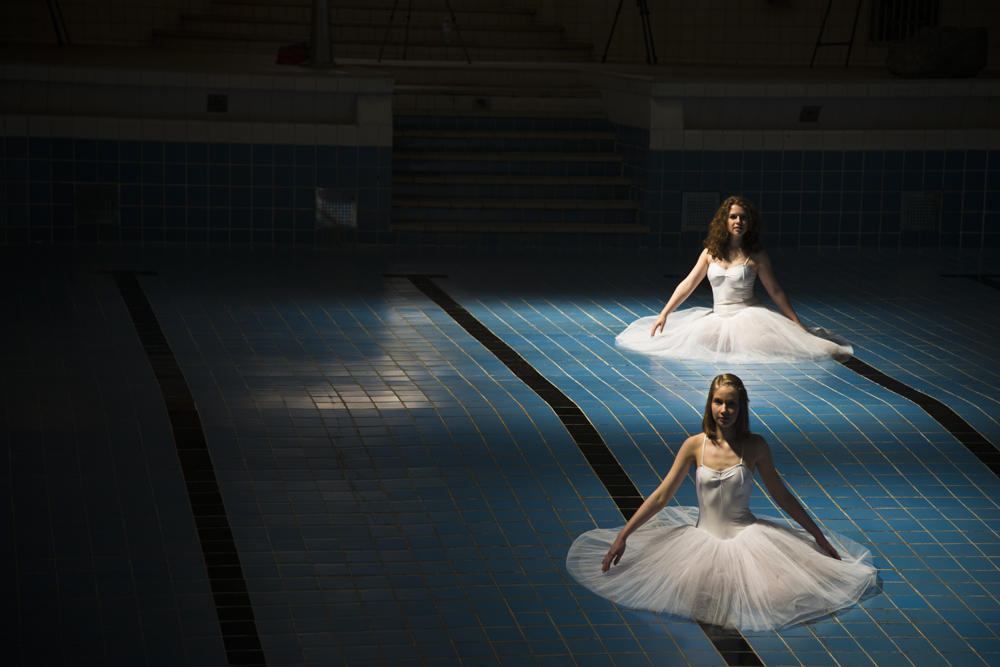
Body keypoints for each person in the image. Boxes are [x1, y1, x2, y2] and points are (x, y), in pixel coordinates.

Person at [566, 374, 877, 632]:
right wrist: (624, 535)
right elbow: (662, 496)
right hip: (700, 542)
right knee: (690, 592)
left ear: (742, 408)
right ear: (709, 404)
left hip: (749, 541)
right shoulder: (693, 445)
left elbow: (782, 496)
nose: (724, 409)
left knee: (771, 595)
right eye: (718, 402)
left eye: (731, 404)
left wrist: (817, 536)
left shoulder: (755, 446)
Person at [615, 197, 852, 362]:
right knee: (690, 343)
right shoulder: (710, 252)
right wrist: (664, 313)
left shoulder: (757, 255)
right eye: (733, 217)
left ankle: (815, 342)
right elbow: (688, 284)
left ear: (750, 222)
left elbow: (776, 292)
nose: (738, 221)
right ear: (725, 221)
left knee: (780, 348)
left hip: (748, 316)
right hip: (717, 317)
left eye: (743, 218)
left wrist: (796, 323)